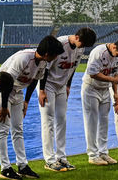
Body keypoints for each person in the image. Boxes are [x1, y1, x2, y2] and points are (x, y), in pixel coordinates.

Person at [0, 35, 64, 180]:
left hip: (18, 92)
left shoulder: (43, 63)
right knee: (3, 130)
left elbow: (34, 80)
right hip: (3, 90)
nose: (56, 57)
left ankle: (22, 165)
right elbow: (6, 81)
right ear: (47, 54)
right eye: (55, 54)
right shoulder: (23, 58)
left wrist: (26, 101)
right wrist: (4, 106)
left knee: (18, 129)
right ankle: (5, 168)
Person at [38, 28, 97, 172]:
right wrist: (41, 90)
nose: (82, 47)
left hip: (62, 86)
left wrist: (68, 86)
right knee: (48, 121)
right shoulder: (59, 45)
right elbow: (44, 68)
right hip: (48, 85)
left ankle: (61, 157)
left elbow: (73, 68)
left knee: (62, 120)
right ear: (76, 37)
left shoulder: (79, 48)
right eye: (82, 43)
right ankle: (50, 160)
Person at [82, 39, 118, 166]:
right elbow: (93, 73)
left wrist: (115, 93)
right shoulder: (98, 52)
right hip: (91, 88)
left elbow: (115, 75)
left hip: (105, 90)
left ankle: (103, 152)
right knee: (91, 121)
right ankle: (93, 155)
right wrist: (112, 80)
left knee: (104, 122)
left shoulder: (117, 56)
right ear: (114, 46)